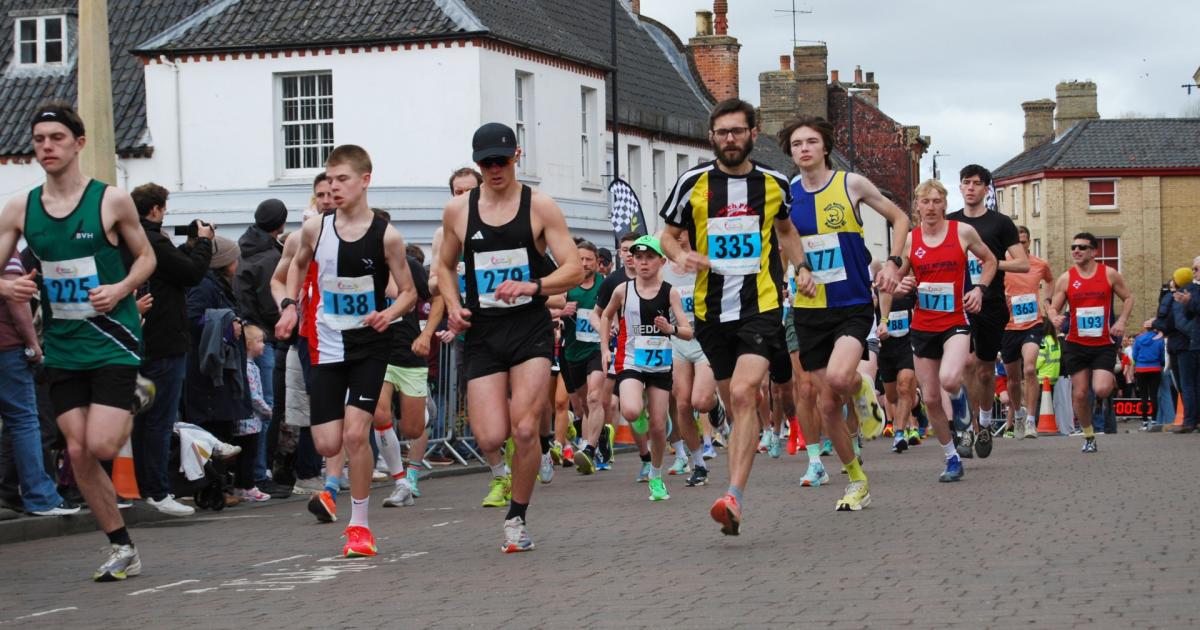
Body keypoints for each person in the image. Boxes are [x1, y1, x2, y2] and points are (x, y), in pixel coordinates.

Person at [0, 104, 156, 581]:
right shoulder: (19, 208)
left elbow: (147, 258)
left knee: (103, 443)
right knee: (78, 452)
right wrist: (7, 287)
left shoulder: (110, 200)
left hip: (112, 339)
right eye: (39, 138)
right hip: (64, 344)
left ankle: (135, 394)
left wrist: (120, 288)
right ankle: (121, 546)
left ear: (79, 143)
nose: (46, 146)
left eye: (56, 138)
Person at [658, 99, 806, 535]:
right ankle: (735, 471)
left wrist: (804, 269)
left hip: (759, 307)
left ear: (752, 133)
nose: (729, 139)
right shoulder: (693, 182)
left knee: (744, 393)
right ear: (712, 137)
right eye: (722, 132)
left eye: (737, 131)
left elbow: (786, 230)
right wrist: (682, 255)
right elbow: (666, 235)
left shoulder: (776, 183)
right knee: (731, 399)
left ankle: (734, 496)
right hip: (710, 313)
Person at [435, 123, 582, 552]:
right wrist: (455, 303)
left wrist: (533, 287)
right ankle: (503, 471)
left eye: (502, 160)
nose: (495, 169)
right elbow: (443, 266)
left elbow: (572, 268)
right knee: (488, 436)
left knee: (522, 429)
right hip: (482, 331)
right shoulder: (458, 210)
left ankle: (517, 518)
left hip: (529, 329)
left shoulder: (540, 206)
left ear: (517, 155)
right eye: (486, 163)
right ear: (477, 164)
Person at [275, 145, 418, 557]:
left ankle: (359, 526)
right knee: (325, 443)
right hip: (324, 343)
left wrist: (387, 314)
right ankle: (345, 495)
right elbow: (295, 267)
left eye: (342, 180)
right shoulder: (314, 229)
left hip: (369, 347)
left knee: (356, 435)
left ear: (365, 181)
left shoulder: (386, 236)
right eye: (329, 180)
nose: (334, 188)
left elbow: (409, 292)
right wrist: (291, 305)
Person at [780, 115, 907, 511]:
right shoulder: (784, 195)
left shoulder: (849, 184)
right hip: (808, 309)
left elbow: (900, 218)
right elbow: (781, 242)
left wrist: (893, 263)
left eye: (811, 141)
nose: (804, 148)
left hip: (851, 303)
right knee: (826, 403)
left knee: (839, 378)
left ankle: (862, 388)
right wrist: (794, 273)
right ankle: (856, 479)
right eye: (797, 143)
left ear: (825, 147)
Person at [887, 179, 996, 482]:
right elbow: (895, 282)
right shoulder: (910, 240)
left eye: (937, 201)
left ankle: (962, 410)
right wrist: (902, 284)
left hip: (956, 321)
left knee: (950, 379)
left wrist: (980, 290)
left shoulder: (962, 232)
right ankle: (951, 459)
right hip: (922, 326)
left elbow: (990, 260)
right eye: (925, 202)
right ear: (917, 206)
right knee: (932, 399)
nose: (931, 207)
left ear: (945, 204)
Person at [123, 183, 213, 516]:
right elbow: (190, 274)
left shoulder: (131, 239)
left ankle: (142, 487)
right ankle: (157, 491)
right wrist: (203, 243)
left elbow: (174, 268)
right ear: (157, 209)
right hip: (164, 340)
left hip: (141, 338)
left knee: (142, 417)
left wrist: (188, 247)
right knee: (160, 418)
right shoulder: (154, 240)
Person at [598, 235, 692, 502]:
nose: (643, 263)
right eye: (638, 257)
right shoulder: (622, 290)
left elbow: (687, 331)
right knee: (629, 409)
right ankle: (641, 417)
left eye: (649, 257)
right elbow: (605, 315)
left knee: (659, 427)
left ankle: (656, 475)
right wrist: (605, 348)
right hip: (631, 361)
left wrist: (670, 329)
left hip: (660, 365)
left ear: (661, 261)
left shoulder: (670, 291)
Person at [947, 165, 1028, 458]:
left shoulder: (1000, 223)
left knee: (983, 371)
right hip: (958, 304)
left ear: (986, 189)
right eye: (965, 182)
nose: (970, 188)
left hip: (991, 303)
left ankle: (983, 422)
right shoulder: (951, 222)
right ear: (960, 187)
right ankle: (969, 430)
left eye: (976, 183)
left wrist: (991, 263)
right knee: (965, 364)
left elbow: (1023, 264)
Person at [0, 253, 78, 516]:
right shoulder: (6, 252)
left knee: (15, 424)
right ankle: (40, 496)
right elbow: (17, 301)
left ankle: (9, 491)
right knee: (24, 421)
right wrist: (33, 345)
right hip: (8, 348)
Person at [270, 175, 334, 495]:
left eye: (331, 192)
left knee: (350, 407)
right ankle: (311, 473)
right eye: (320, 194)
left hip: (352, 332)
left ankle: (335, 471)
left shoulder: (367, 232)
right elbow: (278, 280)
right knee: (318, 402)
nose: (326, 199)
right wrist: (288, 307)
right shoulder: (300, 238)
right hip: (312, 334)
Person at [1048, 232, 1134, 452]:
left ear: (1094, 251)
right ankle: (1088, 436)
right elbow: (1053, 306)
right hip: (1076, 343)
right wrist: (1053, 317)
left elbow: (1129, 297)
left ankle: (1101, 390)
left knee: (1102, 389)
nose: (1076, 251)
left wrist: (1122, 321)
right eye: (1073, 247)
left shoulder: (1109, 274)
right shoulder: (1067, 278)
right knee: (1079, 393)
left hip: (1103, 343)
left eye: (1082, 247)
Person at [372, 211, 431, 509]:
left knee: (413, 429)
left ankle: (424, 413)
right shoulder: (360, 267)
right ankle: (401, 482)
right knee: (379, 415)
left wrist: (427, 334)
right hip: (377, 353)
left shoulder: (409, 265)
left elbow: (439, 297)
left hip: (408, 353)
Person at [235, 198, 288, 493]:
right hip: (265, 336)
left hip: (250, 334)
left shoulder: (244, 250)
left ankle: (256, 472)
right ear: (280, 225)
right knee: (266, 407)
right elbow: (273, 304)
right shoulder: (269, 258)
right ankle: (259, 473)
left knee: (257, 407)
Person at [661, 230, 717, 488]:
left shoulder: (703, 263)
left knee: (701, 402)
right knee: (682, 404)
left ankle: (717, 404)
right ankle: (699, 465)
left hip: (705, 339)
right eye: (675, 231)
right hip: (678, 341)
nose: (679, 236)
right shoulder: (663, 271)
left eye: (683, 231)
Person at [1000, 225, 1054, 438]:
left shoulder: (1039, 265)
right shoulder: (1002, 264)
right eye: (1016, 243)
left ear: (1029, 243)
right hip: (1007, 326)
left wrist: (1047, 302)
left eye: (1023, 243)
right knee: (1013, 378)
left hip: (1032, 323)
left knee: (1030, 369)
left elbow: (1050, 281)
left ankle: (1031, 420)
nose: (1020, 246)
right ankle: (1019, 414)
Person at [559, 241, 606, 474]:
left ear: (597, 262)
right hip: (573, 351)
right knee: (582, 406)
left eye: (589, 259)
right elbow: (543, 304)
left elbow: (619, 307)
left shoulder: (605, 285)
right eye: (581, 259)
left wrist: (613, 324)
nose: (585, 263)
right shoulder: (567, 284)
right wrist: (561, 310)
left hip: (597, 348)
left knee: (595, 397)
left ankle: (590, 448)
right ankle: (600, 435)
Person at [1168, 257, 1200, 433]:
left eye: (1196, 269)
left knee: (1189, 384)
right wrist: (1188, 304)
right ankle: (1192, 420)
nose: (1194, 273)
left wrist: (1158, 324)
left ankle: (1190, 420)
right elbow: (1189, 316)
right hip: (1193, 342)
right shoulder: (1194, 290)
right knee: (1193, 383)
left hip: (1186, 344)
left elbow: (1181, 321)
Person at [1131, 320, 1165, 431]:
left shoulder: (1138, 339)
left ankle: (1145, 421)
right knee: (1154, 395)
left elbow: (1135, 356)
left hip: (1141, 369)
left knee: (1143, 396)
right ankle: (1154, 420)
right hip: (1155, 368)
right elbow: (1162, 356)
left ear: (1145, 328)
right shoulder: (1159, 339)